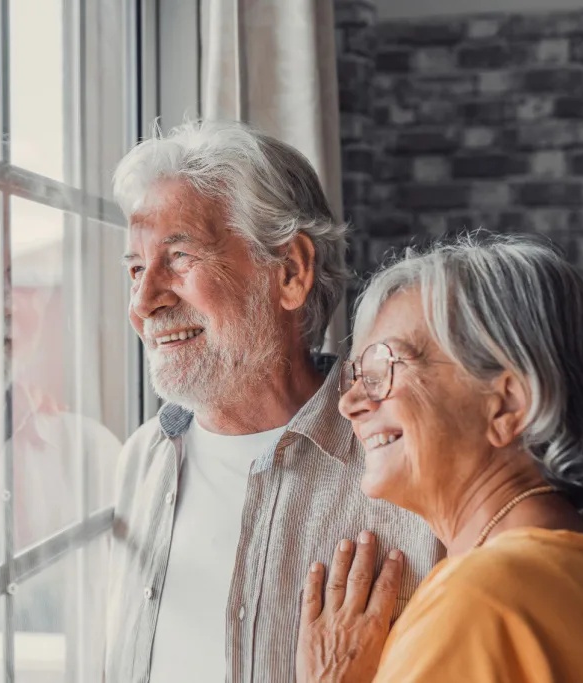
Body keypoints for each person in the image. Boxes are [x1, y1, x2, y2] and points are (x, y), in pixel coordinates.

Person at [104, 120, 442, 682]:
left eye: (179, 256)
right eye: (136, 268)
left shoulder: (408, 473)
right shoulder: (140, 461)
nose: (143, 302)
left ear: (289, 272)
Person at [295, 234, 583, 682]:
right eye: (356, 376)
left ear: (508, 405)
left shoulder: (478, 604)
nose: (350, 403)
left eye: (383, 370)